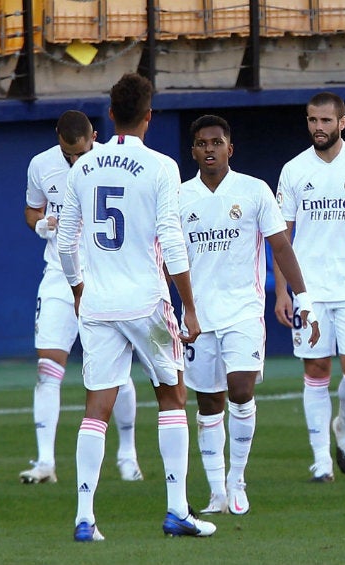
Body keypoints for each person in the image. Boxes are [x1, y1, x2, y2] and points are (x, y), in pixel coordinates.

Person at [56, 73, 216, 540]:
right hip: (148, 304)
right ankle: (177, 510)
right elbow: (171, 240)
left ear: (108, 115)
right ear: (149, 116)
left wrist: (78, 289)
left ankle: (85, 517)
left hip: (98, 305)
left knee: (95, 408)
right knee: (173, 396)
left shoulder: (82, 167)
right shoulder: (162, 167)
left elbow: (67, 242)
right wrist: (189, 306)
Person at [179, 115, 321, 516]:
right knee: (208, 404)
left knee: (240, 391)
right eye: (202, 144)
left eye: (217, 142)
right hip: (198, 318)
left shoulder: (255, 191)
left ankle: (237, 479)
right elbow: (165, 257)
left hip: (242, 311)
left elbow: (281, 246)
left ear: (230, 148)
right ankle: (216, 492)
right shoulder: (178, 198)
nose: (210, 149)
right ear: (193, 151)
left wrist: (303, 295)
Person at [22, 110, 143, 485]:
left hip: (102, 277)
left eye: (81, 151)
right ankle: (45, 462)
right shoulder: (41, 165)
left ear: (95, 136)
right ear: (58, 138)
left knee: (115, 371)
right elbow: (32, 209)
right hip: (60, 274)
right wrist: (40, 223)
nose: (75, 159)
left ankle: (127, 454)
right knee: (48, 366)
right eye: (68, 153)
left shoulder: (112, 163)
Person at [274, 92, 345, 482]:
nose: (318, 128)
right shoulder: (293, 170)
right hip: (310, 288)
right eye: (312, 120)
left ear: (342, 122)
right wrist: (282, 291)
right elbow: (281, 236)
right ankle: (321, 461)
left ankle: (344, 427)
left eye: (325, 121)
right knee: (317, 369)